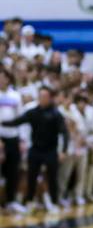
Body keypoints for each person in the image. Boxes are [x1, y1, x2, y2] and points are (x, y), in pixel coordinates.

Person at [1, 86, 69, 213]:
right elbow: (17, 121)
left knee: (52, 178)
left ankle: (54, 202)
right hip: (36, 150)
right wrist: (3, 123)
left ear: (50, 98)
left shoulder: (56, 114)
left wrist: (63, 150)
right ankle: (29, 202)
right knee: (31, 177)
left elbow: (65, 133)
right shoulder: (33, 112)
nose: (42, 99)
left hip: (50, 151)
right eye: (40, 96)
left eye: (45, 96)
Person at [0, 67, 25, 212]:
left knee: (12, 171)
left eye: (3, 77)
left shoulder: (15, 95)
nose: (1, 80)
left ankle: (11, 201)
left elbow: (21, 119)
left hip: (13, 137)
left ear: (9, 79)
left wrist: (22, 139)